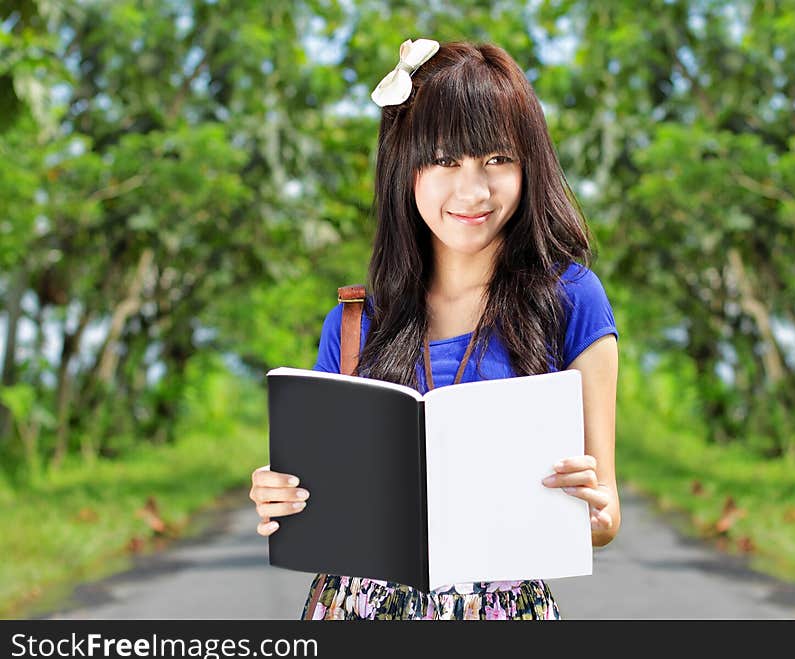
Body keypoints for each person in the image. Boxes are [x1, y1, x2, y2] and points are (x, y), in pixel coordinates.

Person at [249, 38, 620, 620]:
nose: (473, 191)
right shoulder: (354, 321)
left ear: (530, 164)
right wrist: (281, 498)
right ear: (405, 166)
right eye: (445, 160)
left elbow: (605, 518)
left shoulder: (571, 299)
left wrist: (590, 510)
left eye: (497, 159)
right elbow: (316, 497)